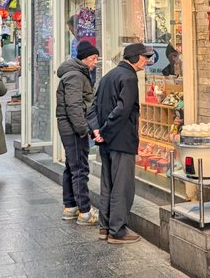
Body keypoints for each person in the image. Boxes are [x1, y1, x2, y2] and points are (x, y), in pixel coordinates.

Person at [93, 42, 153, 244]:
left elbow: (93, 106)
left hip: (106, 140)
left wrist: (98, 131)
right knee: (122, 185)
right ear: (134, 58)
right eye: (145, 57)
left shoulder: (108, 76)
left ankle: (105, 227)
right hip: (120, 139)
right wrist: (104, 131)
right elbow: (122, 110)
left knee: (108, 184)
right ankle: (117, 230)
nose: (147, 61)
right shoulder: (128, 77)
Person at [56, 41, 100, 225]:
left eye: (96, 58)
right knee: (80, 168)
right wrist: (83, 129)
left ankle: (70, 206)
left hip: (70, 127)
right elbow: (73, 106)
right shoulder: (75, 75)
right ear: (83, 59)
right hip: (73, 128)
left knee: (71, 166)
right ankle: (85, 211)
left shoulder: (76, 73)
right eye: (93, 58)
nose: (95, 62)